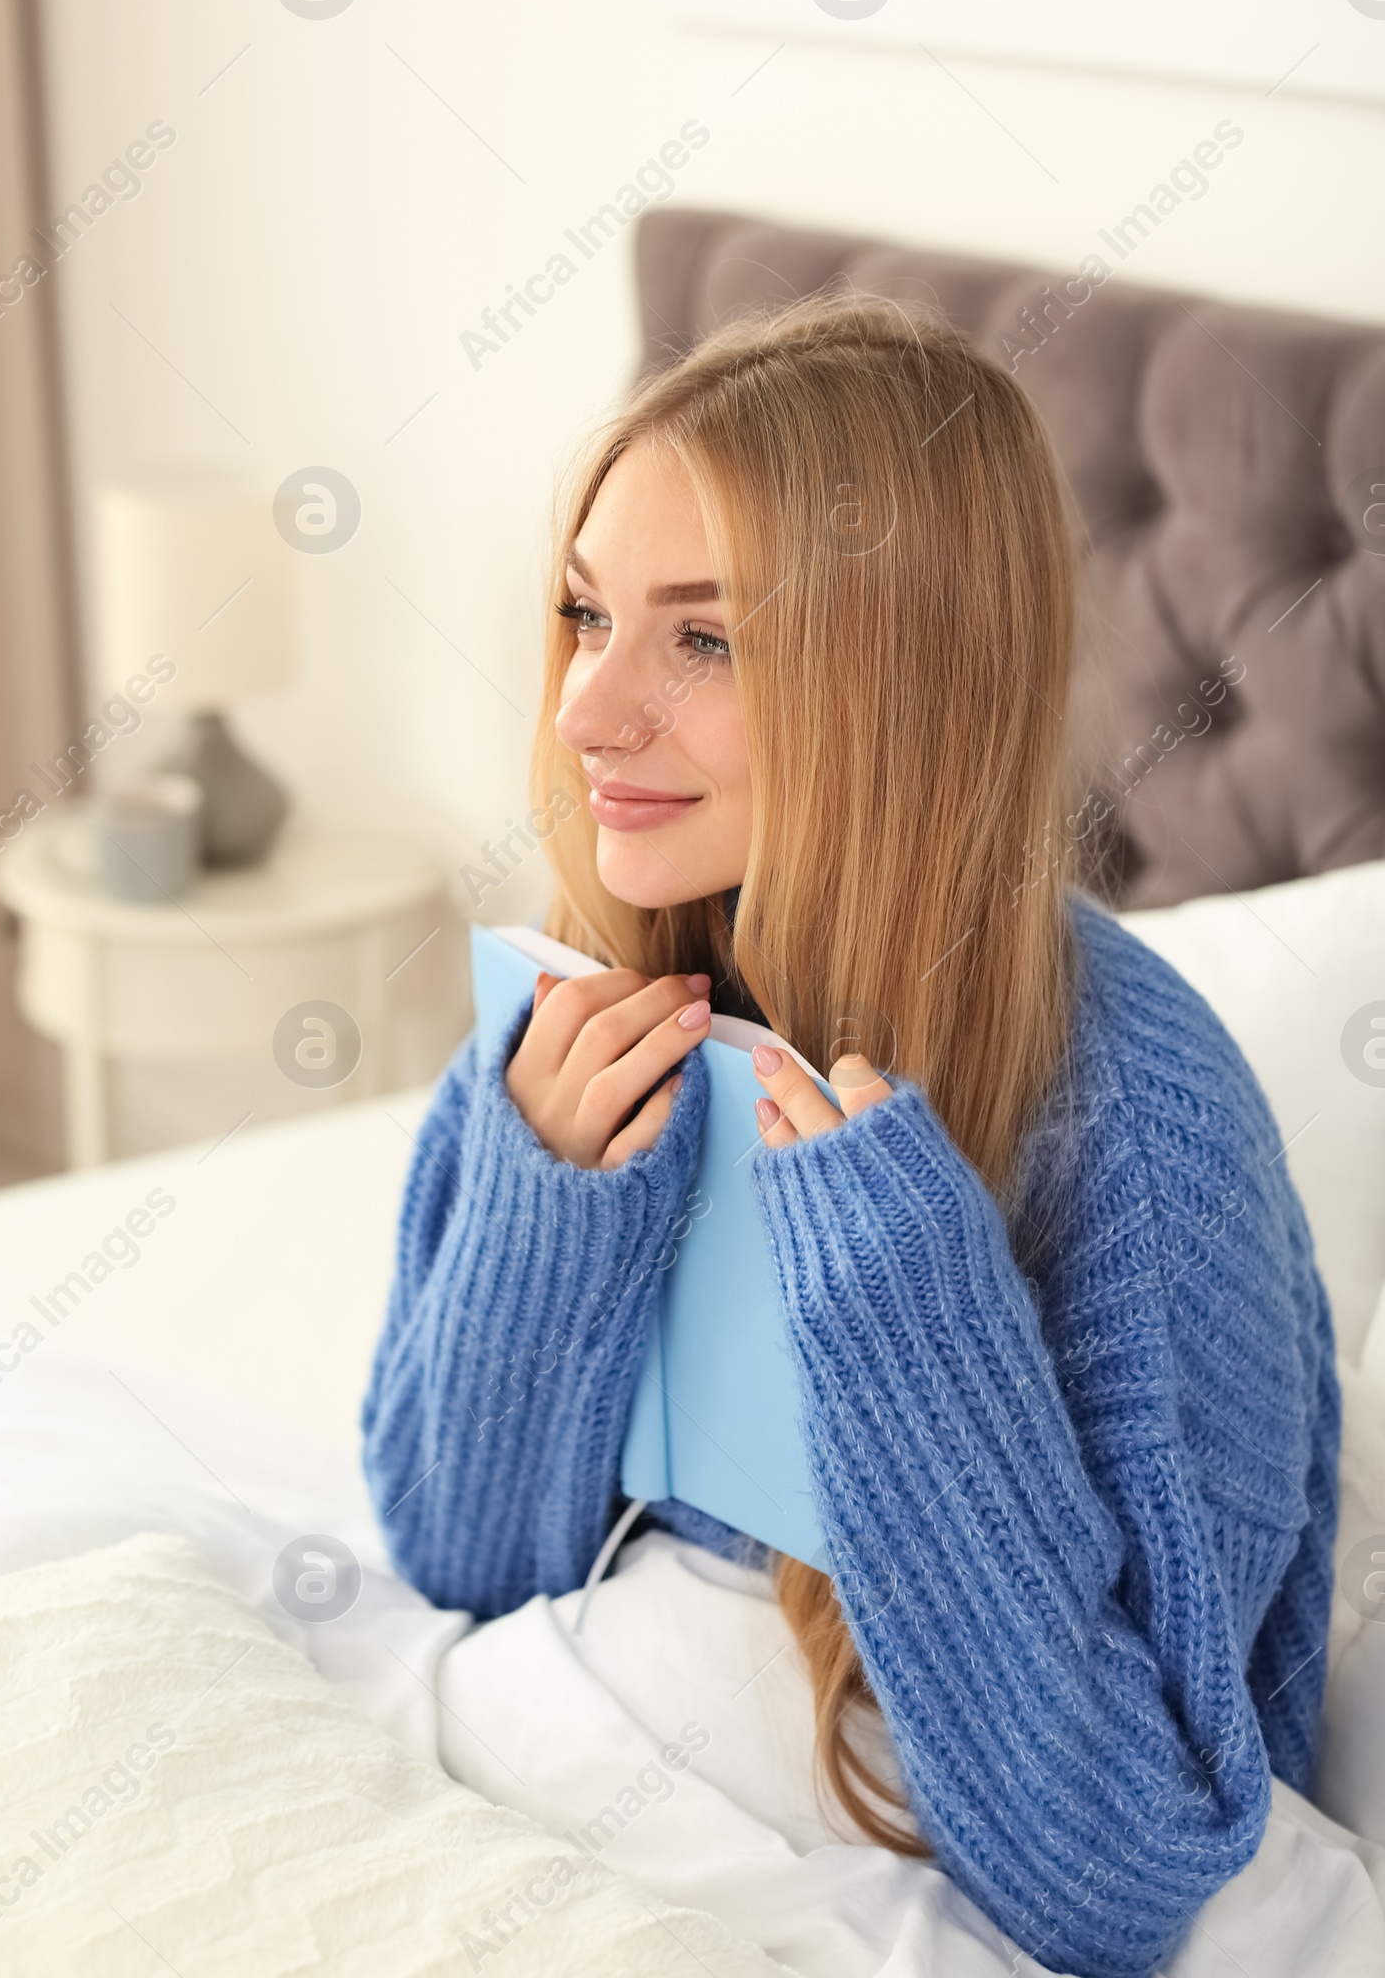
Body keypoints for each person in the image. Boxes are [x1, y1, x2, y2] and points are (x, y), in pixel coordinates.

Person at [361, 294, 1339, 1978]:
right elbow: (452, 1562)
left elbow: (1117, 1882)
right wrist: (549, 1216)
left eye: (704, 641)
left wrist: (910, 1329)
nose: (591, 713)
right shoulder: (605, 976)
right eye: (586, 614)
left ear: (898, 676)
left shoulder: (1145, 1135)